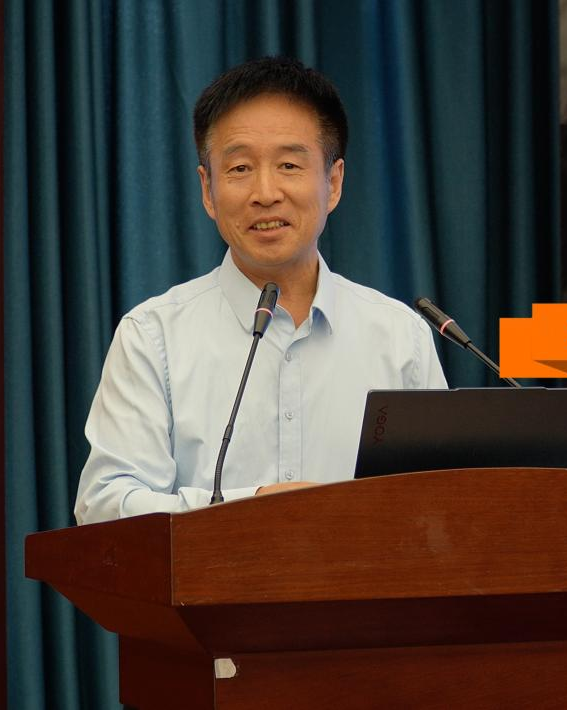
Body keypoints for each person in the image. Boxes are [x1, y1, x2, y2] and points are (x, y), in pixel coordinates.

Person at [74, 57, 448, 524]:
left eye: (289, 165)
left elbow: (439, 506)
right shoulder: (153, 337)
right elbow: (105, 507)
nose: (265, 192)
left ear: (333, 183)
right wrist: (254, 505)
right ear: (207, 190)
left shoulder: (400, 338)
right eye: (240, 168)